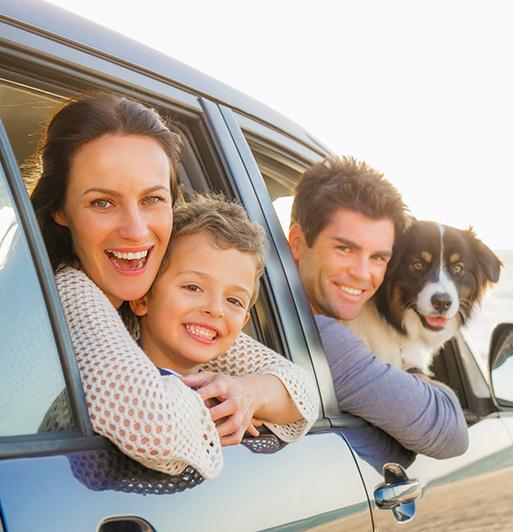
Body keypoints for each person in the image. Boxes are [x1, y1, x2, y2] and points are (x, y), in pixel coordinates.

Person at [28, 94, 318, 479]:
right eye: (102, 203)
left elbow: (302, 389)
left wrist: (248, 392)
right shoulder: (72, 291)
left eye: (152, 199)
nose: (134, 230)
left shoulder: (147, 307)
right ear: (60, 209)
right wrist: (213, 403)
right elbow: (155, 427)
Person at [288, 156, 468, 459]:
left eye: (379, 257)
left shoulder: (274, 312)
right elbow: (450, 434)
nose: (362, 274)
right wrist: (414, 372)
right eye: (345, 249)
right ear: (296, 242)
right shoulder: (321, 338)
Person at [130, 194, 304, 433]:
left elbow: (303, 404)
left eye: (233, 300)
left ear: (243, 323)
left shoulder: (228, 391)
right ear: (142, 297)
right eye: (193, 287)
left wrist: (246, 400)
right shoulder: (122, 382)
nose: (215, 309)